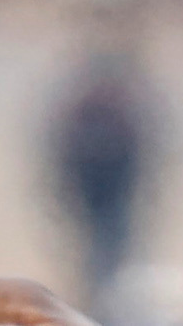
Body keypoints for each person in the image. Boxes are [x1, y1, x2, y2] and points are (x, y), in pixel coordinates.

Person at [39, 34, 154, 315]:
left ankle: (100, 305)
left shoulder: (123, 110)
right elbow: (60, 152)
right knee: (94, 257)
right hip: (91, 194)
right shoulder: (85, 108)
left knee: (108, 257)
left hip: (113, 194)